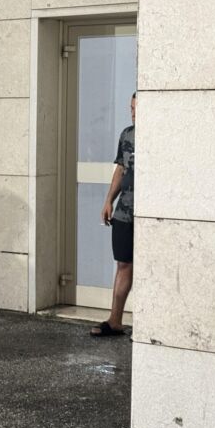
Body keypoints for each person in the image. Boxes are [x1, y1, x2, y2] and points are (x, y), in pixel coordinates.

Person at [91, 92, 136, 337]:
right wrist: (109, 200)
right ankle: (115, 320)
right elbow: (121, 168)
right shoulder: (127, 135)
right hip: (124, 213)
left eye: (137, 109)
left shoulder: (161, 136)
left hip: (150, 216)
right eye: (131, 108)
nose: (133, 113)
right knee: (123, 264)